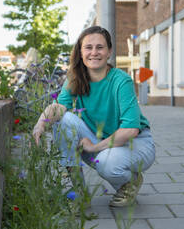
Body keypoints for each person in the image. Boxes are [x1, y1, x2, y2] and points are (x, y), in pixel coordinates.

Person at [33, 26, 155, 207]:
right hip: (102, 140)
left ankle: (130, 182)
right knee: (64, 120)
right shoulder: (75, 78)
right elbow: (59, 107)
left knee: (107, 163)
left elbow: (130, 129)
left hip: (136, 143)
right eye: (88, 47)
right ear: (81, 52)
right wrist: (41, 123)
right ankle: (80, 193)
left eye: (100, 47)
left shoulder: (121, 80)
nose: (94, 52)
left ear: (109, 52)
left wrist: (94, 147)